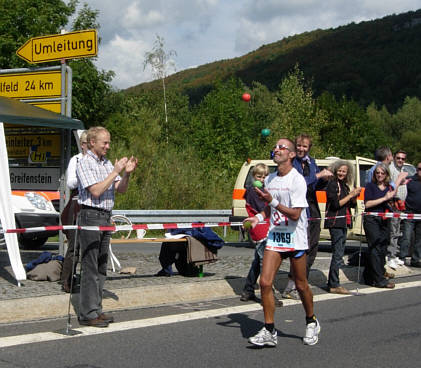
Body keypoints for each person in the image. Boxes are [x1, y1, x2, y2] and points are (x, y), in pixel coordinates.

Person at [247, 138, 320, 347]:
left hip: (295, 239)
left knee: (301, 284)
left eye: (282, 147)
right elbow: (268, 210)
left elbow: (296, 214)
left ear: (291, 155)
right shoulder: (270, 179)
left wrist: (273, 201)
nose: (277, 150)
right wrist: (257, 219)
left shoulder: (297, 180)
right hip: (276, 236)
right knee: (265, 282)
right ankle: (269, 330)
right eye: (276, 147)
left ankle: (311, 321)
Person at [76, 126, 138, 327]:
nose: (108, 147)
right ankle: (87, 313)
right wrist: (115, 171)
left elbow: (121, 189)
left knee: (102, 266)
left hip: (105, 216)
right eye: (105, 143)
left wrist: (126, 174)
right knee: (90, 266)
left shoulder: (106, 163)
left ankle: (96, 309)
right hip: (91, 216)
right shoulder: (84, 162)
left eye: (109, 142)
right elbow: (96, 191)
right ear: (92, 142)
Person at [281, 134, 332, 300]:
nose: (302, 149)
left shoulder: (312, 162)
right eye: (299, 146)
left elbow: (314, 184)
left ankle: (300, 283)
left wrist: (325, 179)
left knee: (312, 247)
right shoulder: (291, 163)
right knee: (299, 250)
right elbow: (299, 182)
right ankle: (291, 286)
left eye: (305, 147)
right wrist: (317, 176)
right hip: (298, 209)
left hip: (312, 208)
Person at [240, 164, 282, 306]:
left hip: (267, 227)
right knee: (267, 263)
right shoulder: (253, 192)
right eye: (259, 177)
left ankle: (248, 289)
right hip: (260, 229)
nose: (262, 179)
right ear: (254, 177)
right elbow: (263, 209)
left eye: (265, 177)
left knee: (258, 261)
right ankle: (269, 295)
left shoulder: (263, 190)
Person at [324, 160, 361, 294]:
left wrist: (354, 196)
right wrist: (350, 195)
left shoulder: (344, 185)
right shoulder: (332, 184)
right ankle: (334, 284)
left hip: (344, 222)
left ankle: (333, 282)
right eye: (339, 170)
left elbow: (349, 205)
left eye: (344, 171)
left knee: (339, 253)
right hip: (335, 222)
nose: (341, 173)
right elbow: (335, 204)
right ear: (335, 171)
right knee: (337, 254)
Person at [60, 130, 88, 293]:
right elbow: (70, 183)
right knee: (74, 246)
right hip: (76, 204)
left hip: (92, 205)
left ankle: (88, 280)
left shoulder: (98, 161)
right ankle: (67, 280)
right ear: (83, 144)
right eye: (86, 144)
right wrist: (84, 177)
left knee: (90, 246)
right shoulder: (75, 160)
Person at [363, 163, 396, 289]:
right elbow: (368, 204)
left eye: (382, 173)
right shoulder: (370, 186)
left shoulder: (388, 188)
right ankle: (379, 280)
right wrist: (384, 198)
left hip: (384, 220)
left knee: (382, 248)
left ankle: (371, 276)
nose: (380, 175)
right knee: (375, 247)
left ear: (386, 174)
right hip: (372, 219)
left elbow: (391, 203)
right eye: (377, 173)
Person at [387, 150, 408, 269]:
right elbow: (391, 187)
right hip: (393, 204)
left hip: (400, 206)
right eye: (398, 158)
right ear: (394, 158)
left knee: (397, 231)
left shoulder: (401, 170)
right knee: (393, 231)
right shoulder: (392, 170)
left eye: (403, 159)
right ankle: (390, 256)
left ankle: (394, 255)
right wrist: (400, 180)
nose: (400, 160)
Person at [400, 162, 421, 268]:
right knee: (406, 237)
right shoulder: (410, 181)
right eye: (419, 169)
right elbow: (402, 193)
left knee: (419, 239)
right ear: (416, 170)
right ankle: (402, 258)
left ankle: (416, 259)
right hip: (410, 213)